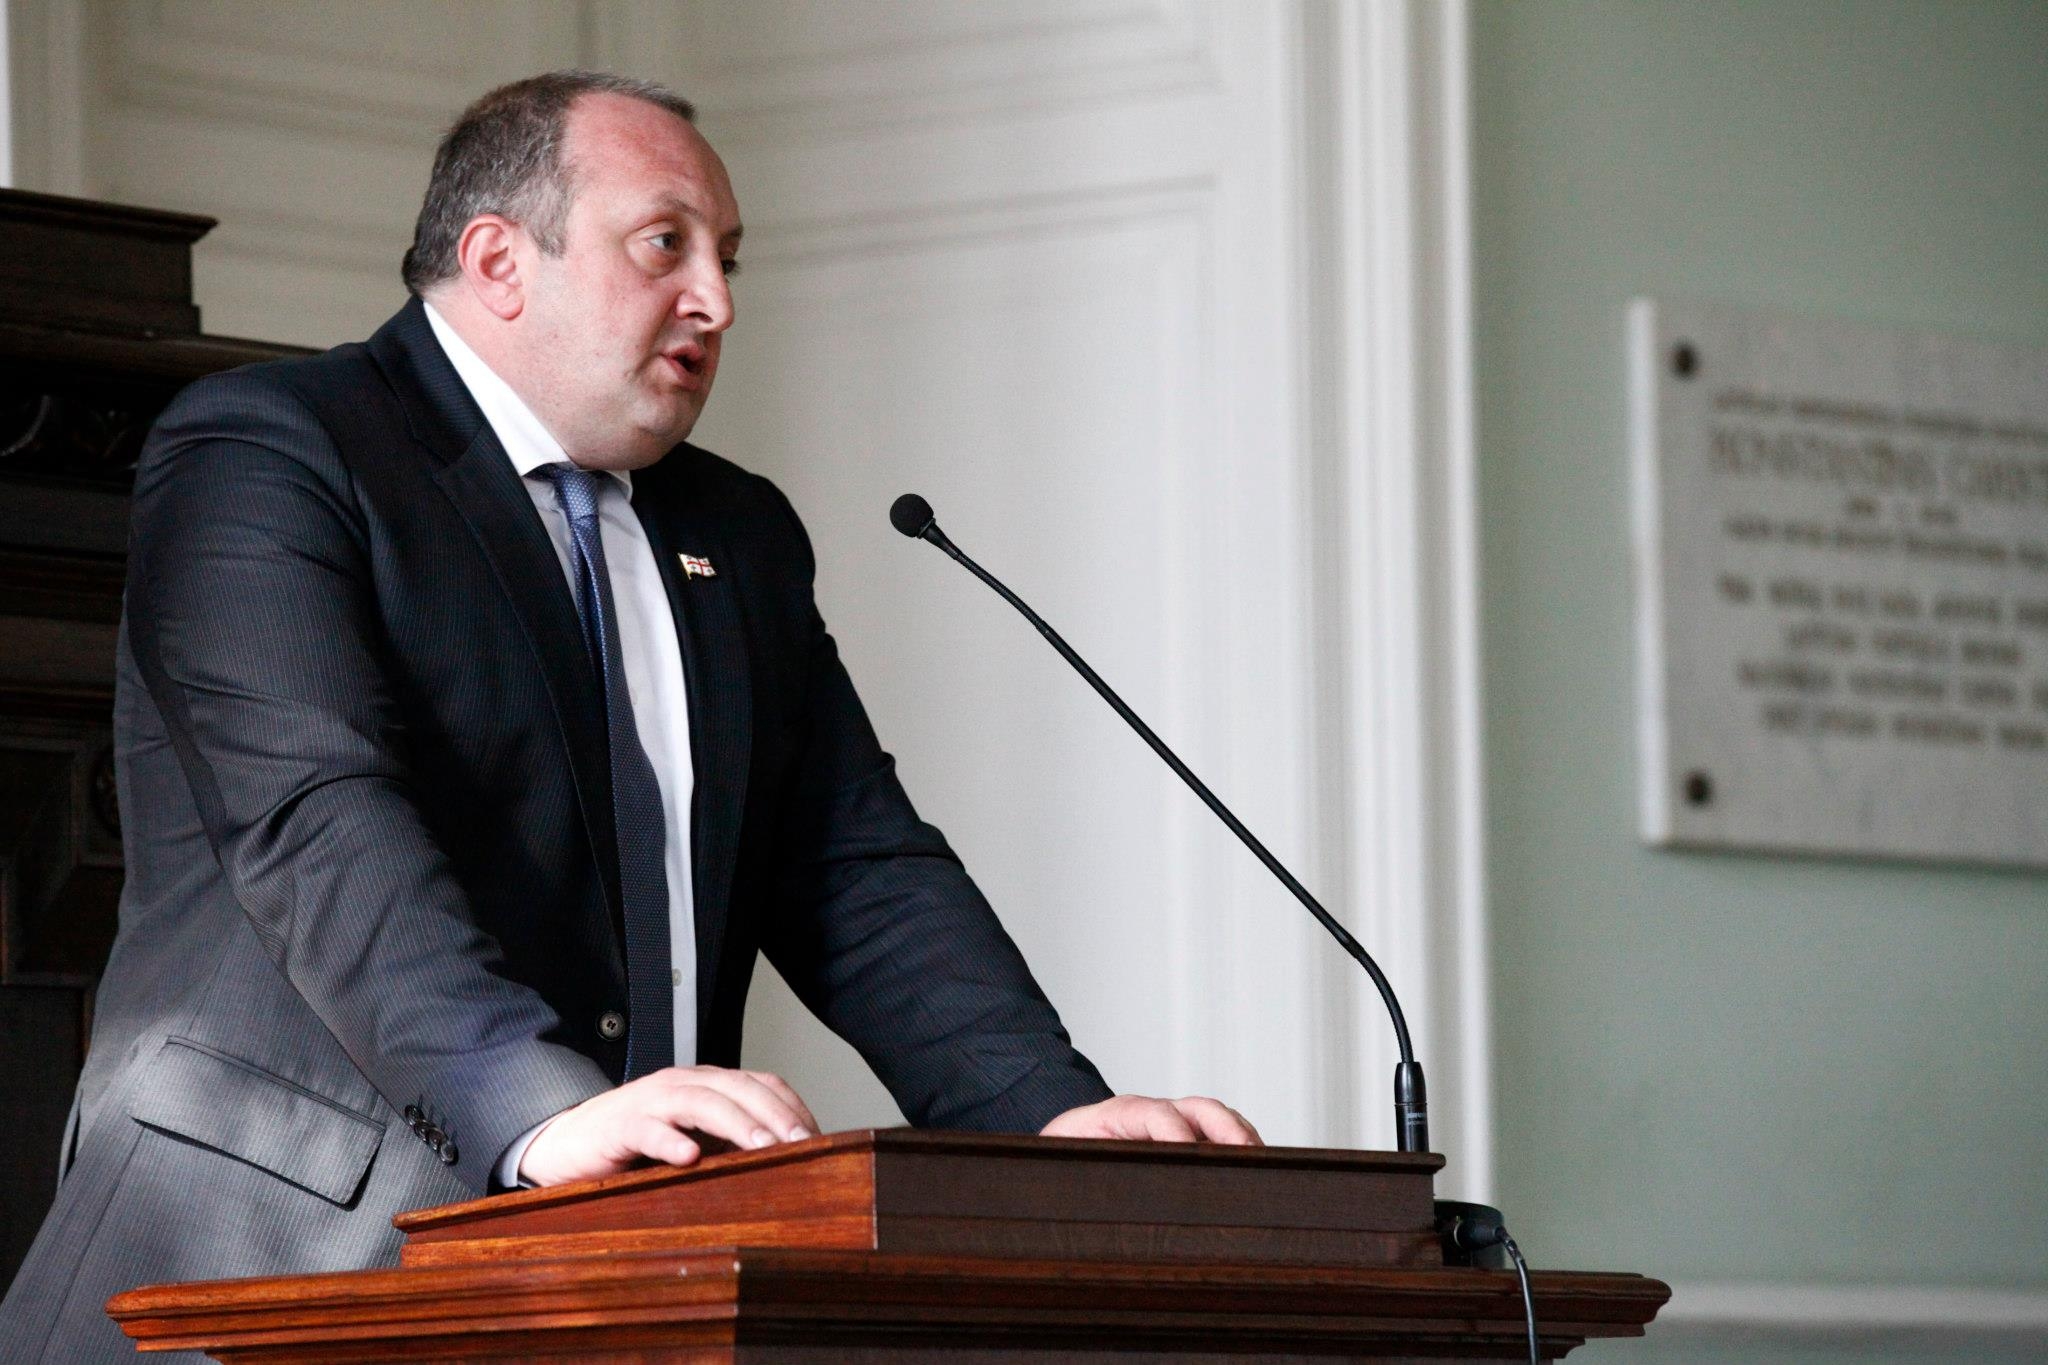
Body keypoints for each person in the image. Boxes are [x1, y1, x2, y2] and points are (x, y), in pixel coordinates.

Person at [0, 71, 1257, 1363]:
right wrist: (532, 1107)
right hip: (252, 1260)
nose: (716, 300)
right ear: (500, 261)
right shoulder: (269, 453)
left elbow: (856, 869)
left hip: (606, 1276)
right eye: (666, 244)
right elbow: (316, 824)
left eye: (728, 259)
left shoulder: (738, 531)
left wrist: (1046, 1118)